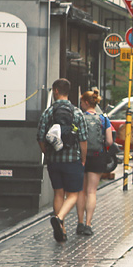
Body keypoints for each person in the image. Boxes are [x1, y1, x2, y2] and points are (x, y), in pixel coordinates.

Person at [36, 78, 85, 243]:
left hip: (54, 160)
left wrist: (47, 153)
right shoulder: (77, 112)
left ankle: (62, 231)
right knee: (73, 195)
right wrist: (83, 159)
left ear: (56, 91)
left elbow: (40, 137)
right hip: (72, 159)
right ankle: (60, 218)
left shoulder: (48, 112)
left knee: (58, 192)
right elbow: (83, 139)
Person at [76, 88, 114, 237]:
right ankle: (88, 224)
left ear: (86, 103)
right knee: (92, 191)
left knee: (81, 191)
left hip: (81, 157)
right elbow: (109, 141)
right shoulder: (104, 119)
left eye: (81, 103)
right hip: (98, 156)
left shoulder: (79, 118)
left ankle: (79, 223)